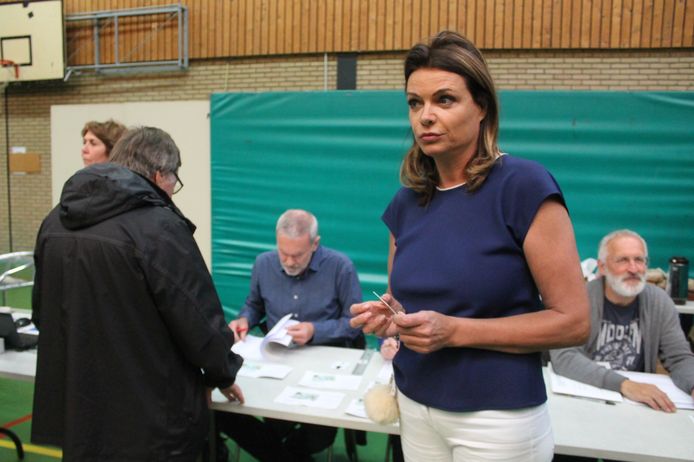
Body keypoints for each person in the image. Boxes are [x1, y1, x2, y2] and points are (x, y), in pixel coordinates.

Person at [349, 31, 590, 462]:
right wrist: (391, 317)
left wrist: (457, 331)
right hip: (415, 403)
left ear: (481, 107)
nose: (425, 116)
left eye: (444, 100)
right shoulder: (405, 203)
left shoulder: (524, 187)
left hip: (497, 417)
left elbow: (572, 322)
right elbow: (409, 305)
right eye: (415, 102)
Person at [31, 126, 244, 461]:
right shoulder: (159, 227)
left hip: (81, 411)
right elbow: (197, 318)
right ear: (160, 175)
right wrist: (223, 371)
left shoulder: (55, 220)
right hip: (153, 421)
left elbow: (44, 312)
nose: (174, 190)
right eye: (175, 180)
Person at [217, 209, 363, 461]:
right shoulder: (264, 263)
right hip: (275, 359)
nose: (289, 261)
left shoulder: (340, 267)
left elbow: (355, 323)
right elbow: (254, 304)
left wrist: (315, 330)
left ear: (315, 244)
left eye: (297, 255)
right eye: (283, 252)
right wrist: (245, 319)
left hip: (325, 360)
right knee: (231, 410)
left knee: (319, 433)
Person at [550, 229, 694, 411]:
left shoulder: (659, 301)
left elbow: (679, 358)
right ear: (602, 267)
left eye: (639, 260)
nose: (633, 269)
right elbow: (564, 357)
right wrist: (625, 385)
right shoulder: (578, 299)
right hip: (587, 397)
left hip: (637, 404)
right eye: (623, 260)